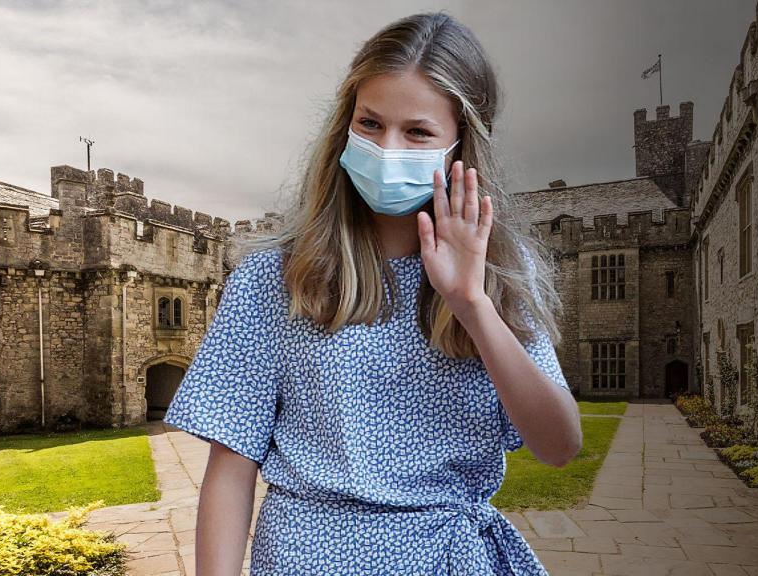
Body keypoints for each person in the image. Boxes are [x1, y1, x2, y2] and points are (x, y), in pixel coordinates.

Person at [163, 10, 583, 576]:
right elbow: (230, 468)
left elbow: (558, 446)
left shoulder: (502, 271)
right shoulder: (275, 275)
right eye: (370, 123)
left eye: (417, 132)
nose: (388, 148)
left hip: (452, 559)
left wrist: (472, 306)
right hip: (306, 559)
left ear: (461, 146)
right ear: (345, 125)